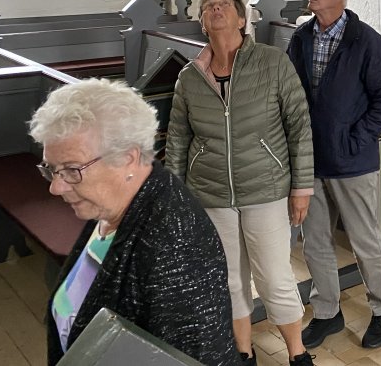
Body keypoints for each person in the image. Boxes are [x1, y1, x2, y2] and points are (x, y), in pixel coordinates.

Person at [30, 78, 237, 366]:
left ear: (127, 159)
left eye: (71, 170)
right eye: (51, 169)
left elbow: (193, 357)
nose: (55, 187)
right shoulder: (112, 204)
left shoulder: (175, 244)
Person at [165, 0, 314, 366]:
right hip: (211, 193)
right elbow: (178, 138)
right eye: (208, 7)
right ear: (203, 23)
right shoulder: (190, 76)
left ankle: (297, 353)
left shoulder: (272, 62)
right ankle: (243, 354)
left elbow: (299, 125)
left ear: (241, 18)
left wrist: (302, 186)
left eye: (224, 5)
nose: (216, 9)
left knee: (275, 277)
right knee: (229, 280)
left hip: (265, 187)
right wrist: (175, 196)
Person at [287, 0, 381, 351]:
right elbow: (290, 93)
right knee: (315, 241)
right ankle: (327, 312)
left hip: (352, 161)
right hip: (310, 159)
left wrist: (355, 138)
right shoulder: (301, 37)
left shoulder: (366, 41)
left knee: (364, 240)